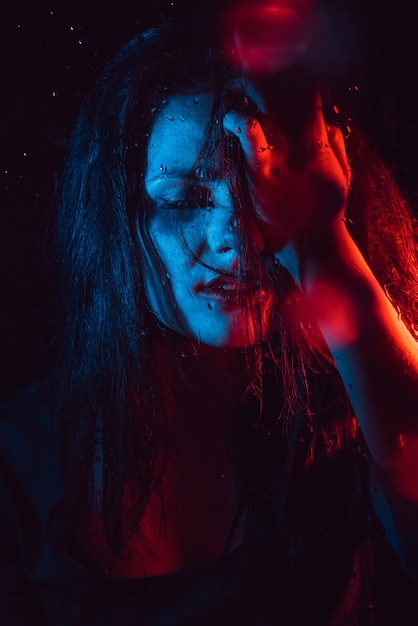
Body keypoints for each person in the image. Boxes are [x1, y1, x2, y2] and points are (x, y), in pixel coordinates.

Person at [1, 4, 418, 624]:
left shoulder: (344, 423)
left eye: (259, 189)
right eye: (187, 197)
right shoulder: (19, 462)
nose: (235, 235)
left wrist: (321, 241)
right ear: (118, 219)